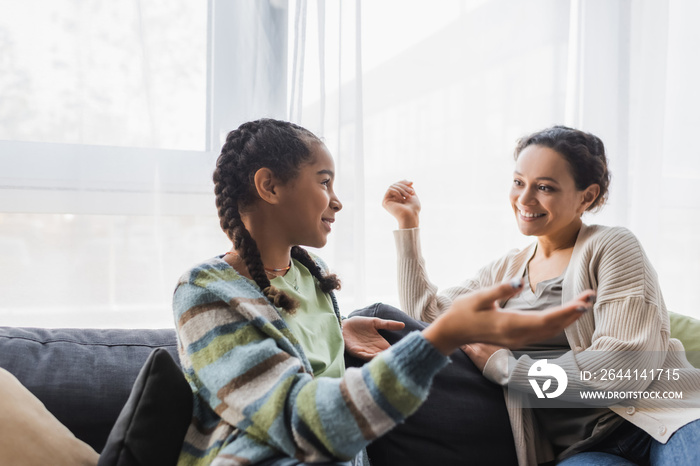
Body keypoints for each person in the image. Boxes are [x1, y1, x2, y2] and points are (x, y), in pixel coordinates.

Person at [172, 119, 594, 466]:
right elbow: (307, 421)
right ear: (270, 186)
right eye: (324, 182)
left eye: (546, 186)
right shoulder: (206, 292)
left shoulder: (309, 273)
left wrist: (337, 329)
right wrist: (442, 337)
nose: (336, 202)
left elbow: (304, 352)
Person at [383, 125, 700, 465]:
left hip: (666, 416)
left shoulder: (611, 246)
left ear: (587, 196)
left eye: (545, 187)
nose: (524, 199)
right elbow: (428, 315)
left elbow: (623, 368)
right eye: (519, 182)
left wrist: (506, 367)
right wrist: (408, 225)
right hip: (584, 449)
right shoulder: (506, 270)